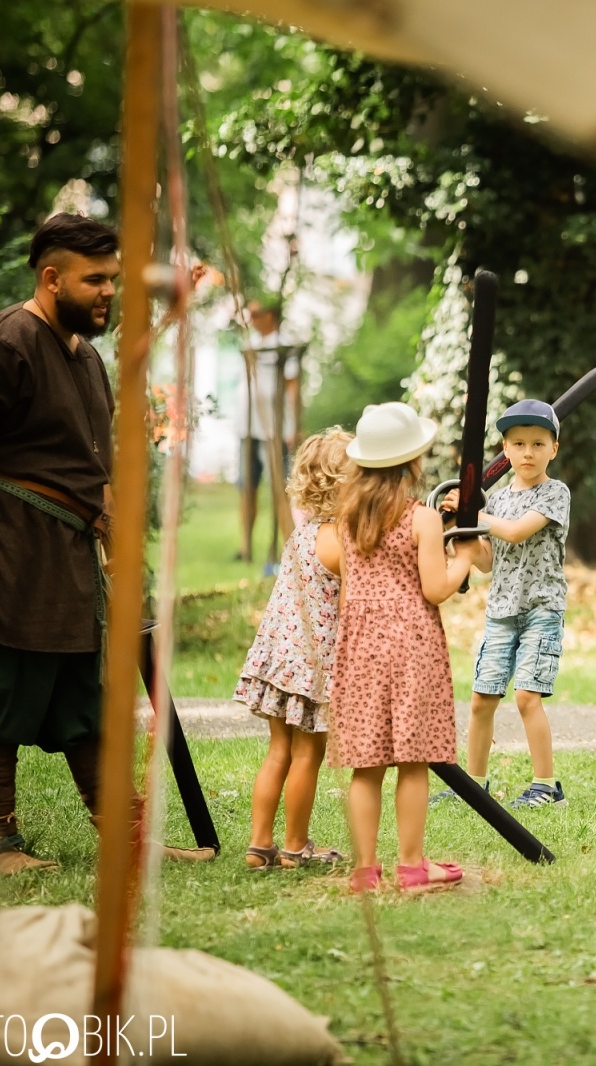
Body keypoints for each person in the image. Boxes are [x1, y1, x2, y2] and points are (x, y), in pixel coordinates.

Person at [0, 213, 207, 872]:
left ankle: (130, 840)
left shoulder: (86, 357)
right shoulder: (7, 339)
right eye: (95, 280)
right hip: (10, 544)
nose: (108, 291)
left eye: (112, 279)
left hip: (69, 549)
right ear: (51, 277)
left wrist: (107, 529)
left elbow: (89, 461)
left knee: (87, 698)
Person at [324, 402, 472, 893]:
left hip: (361, 644)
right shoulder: (422, 519)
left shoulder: (347, 520)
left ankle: (366, 871)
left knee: (366, 765)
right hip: (412, 645)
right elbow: (434, 587)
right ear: (412, 463)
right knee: (413, 759)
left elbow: (351, 587)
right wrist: (463, 557)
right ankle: (412, 865)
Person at [236, 430, 352, 870]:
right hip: (314, 667)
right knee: (309, 754)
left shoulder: (302, 532)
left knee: (278, 752)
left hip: (280, 658)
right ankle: (295, 845)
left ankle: (259, 843)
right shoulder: (341, 541)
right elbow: (349, 610)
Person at [455, 399, 572, 810]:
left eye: (538, 444)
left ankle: (546, 785)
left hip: (542, 609)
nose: (528, 452)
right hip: (501, 611)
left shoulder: (556, 493)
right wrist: (463, 528)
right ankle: (473, 784)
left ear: (554, 449)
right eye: (519, 443)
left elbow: (519, 533)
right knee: (482, 698)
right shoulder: (499, 501)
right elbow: (488, 560)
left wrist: (476, 512)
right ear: (505, 450)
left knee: (526, 696)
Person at [237, 299, 300, 565]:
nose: (251, 318)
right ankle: (245, 548)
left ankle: (290, 545)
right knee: (246, 487)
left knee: (281, 488)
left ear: (270, 315)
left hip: (274, 430)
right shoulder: (250, 344)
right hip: (247, 427)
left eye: (256, 314)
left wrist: (292, 426)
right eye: (249, 314)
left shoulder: (284, 345)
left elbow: (292, 389)